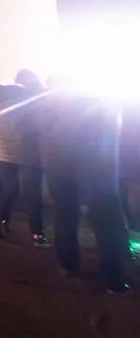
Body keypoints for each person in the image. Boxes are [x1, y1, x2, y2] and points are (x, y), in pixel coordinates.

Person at [35, 84, 130, 295]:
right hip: (95, 167)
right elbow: (116, 135)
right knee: (107, 222)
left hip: (56, 165)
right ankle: (113, 279)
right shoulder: (102, 101)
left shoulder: (46, 105)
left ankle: (68, 266)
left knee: (64, 215)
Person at [0, 85, 49, 246]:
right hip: (28, 156)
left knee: (9, 189)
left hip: (1, 155)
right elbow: (41, 131)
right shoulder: (31, 110)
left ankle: (0, 223)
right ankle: (37, 234)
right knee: (33, 195)